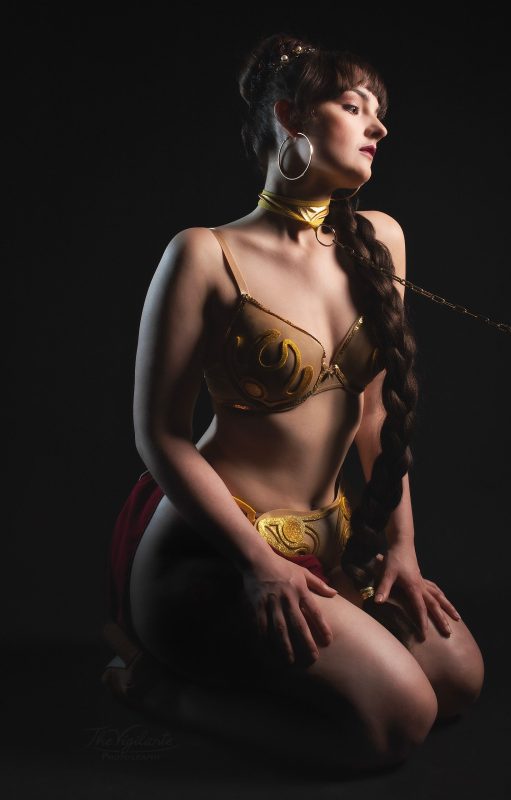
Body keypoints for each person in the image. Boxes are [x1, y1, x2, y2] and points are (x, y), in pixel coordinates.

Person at [101, 32, 485, 774]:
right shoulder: (205, 254)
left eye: (379, 111)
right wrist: (257, 563)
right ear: (291, 118)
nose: (379, 126)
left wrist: (402, 548)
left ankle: (321, 670)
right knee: (398, 722)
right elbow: (160, 435)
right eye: (355, 106)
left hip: (329, 543)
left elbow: (375, 416)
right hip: (215, 555)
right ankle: (157, 692)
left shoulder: (380, 239)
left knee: (457, 681)